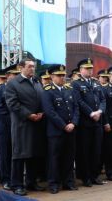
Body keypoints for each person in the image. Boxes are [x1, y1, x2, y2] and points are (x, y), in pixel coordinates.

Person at [5, 58, 46, 196]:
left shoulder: (36, 81)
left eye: (34, 67)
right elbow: (12, 104)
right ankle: (16, 184)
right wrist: (29, 115)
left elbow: (41, 99)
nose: (32, 69)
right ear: (20, 67)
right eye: (29, 66)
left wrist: (41, 112)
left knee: (33, 154)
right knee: (19, 155)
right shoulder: (13, 83)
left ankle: (31, 182)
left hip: (37, 123)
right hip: (22, 125)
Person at [41, 65, 79, 194]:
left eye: (63, 75)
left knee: (69, 157)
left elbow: (76, 108)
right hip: (56, 131)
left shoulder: (69, 89)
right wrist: (64, 126)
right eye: (59, 75)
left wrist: (73, 123)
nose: (62, 77)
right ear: (51, 76)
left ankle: (68, 181)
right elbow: (50, 112)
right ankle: (53, 184)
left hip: (71, 129)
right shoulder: (47, 91)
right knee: (54, 158)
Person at [71, 58, 106, 187]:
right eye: (87, 68)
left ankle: (94, 175)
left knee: (96, 150)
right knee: (85, 151)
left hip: (97, 122)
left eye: (91, 68)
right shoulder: (76, 84)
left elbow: (103, 100)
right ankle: (86, 177)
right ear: (81, 70)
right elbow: (78, 101)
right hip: (85, 123)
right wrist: (91, 113)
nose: (90, 71)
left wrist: (100, 111)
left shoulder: (96, 83)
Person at [0, 65, 20, 190]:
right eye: (15, 75)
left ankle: (16, 178)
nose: (17, 77)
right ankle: (5, 179)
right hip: (5, 127)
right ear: (8, 76)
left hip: (19, 127)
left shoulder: (19, 89)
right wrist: (13, 121)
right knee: (5, 154)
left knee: (17, 154)